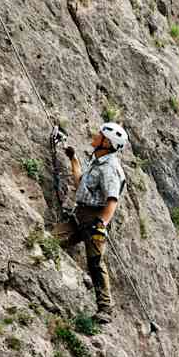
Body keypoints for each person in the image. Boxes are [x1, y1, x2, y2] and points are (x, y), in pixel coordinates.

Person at [51, 122, 128, 325]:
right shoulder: (98, 161)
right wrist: (73, 159)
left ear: (107, 143)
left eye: (100, 134)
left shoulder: (111, 169)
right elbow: (81, 184)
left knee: (95, 263)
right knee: (50, 241)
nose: (96, 135)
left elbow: (113, 200)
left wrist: (102, 224)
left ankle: (105, 310)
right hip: (80, 218)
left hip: (94, 222)